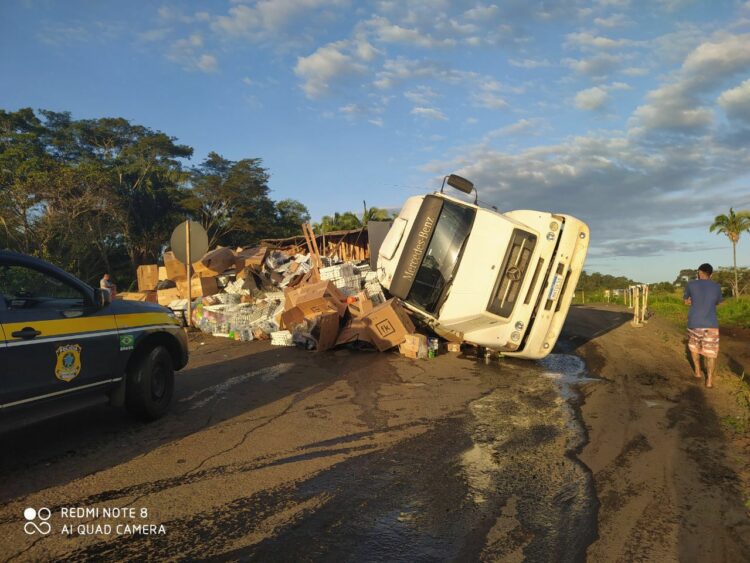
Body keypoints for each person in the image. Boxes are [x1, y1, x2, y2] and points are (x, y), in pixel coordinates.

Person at [683, 263, 723, 388]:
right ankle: (709, 381)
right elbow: (717, 302)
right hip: (711, 324)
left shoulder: (691, 284)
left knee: (694, 348)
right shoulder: (716, 286)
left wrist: (692, 301)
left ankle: (697, 372)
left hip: (694, 323)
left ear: (699, 273)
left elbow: (686, 301)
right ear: (711, 274)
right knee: (711, 353)